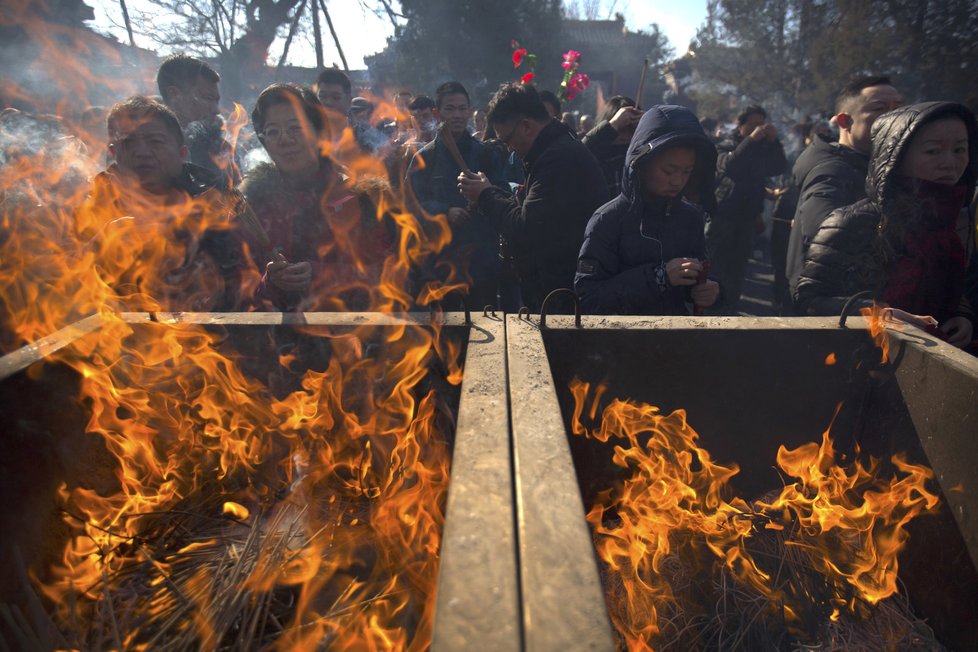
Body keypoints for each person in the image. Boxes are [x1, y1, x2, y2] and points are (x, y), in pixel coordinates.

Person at [794, 102, 977, 349]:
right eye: (933, 151)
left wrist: (963, 318)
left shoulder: (953, 224)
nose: (949, 162)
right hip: (856, 365)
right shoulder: (857, 221)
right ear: (897, 156)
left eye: (959, 149)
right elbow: (808, 299)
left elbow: (954, 292)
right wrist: (877, 314)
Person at [76, 95, 242, 311]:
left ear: (182, 153)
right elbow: (69, 286)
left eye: (155, 141)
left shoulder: (216, 207)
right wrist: (103, 243)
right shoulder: (90, 208)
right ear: (113, 152)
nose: (142, 152)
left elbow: (239, 287)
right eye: (127, 142)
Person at [238, 83, 390, 311]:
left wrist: (320, 274)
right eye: (272, 132)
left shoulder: (359, 198)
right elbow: (235, 291)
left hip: (350, 338)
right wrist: (270, 282)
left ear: (319, 133)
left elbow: (386, 276)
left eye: (295, 128)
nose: (284, 139)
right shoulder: (251, 208)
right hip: (277, 340)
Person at [457, 83, 608, 311]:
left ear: (526, 126)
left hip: (565, 294)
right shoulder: (552, 149)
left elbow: (525, 229)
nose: (509, 149)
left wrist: (485, 195)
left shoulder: (558, 159)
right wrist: (490, 191)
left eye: (507, 140)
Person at [575, 105, 719, 315]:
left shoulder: (691, 218)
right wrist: (658, 278)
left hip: (674, 340)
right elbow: (588, 297)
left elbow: (699, 274)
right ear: (641, 164)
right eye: (669, 171)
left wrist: (708, 290)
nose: (678, 180)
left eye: (687, 171)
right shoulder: (608, 220)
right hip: (618, 341)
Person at [785, 76, 903, 295]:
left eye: (898, 108)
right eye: (880, 108)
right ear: (844, 122)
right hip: (833, 308)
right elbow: (822, 232)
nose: (894, 117)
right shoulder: (833, 171)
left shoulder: (871, 166)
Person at [407, 81, 507, 307]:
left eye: (463, 109)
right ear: (437, 112)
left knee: (484, 322)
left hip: (480, 258)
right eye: (450, 109)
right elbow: (411, 204)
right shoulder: (424, 158)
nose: (457, 115)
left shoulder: (485, 154)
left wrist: (484, 195)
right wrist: (444, 211)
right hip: (440, 261)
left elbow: (502, 195)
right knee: (446, 331)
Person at [707, 104, 787, 314]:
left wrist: (773, 141)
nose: (758, 129)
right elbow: (731, 166)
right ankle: (710, 309)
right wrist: (750, 140)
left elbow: (777, 167)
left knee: (738, 267)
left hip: (748, 217)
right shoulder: (725, 145)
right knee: (716, 265)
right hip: (723, 215)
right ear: (740, 124)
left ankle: (730, 307)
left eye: (761, 125)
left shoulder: (761, 149)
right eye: (753, 125)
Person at [156, 54, 238, 188]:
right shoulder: (147, 149)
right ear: (174, 94)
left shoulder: (217, 147)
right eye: (207, 98)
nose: (216, 110)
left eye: (216, 100)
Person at [582, 96, 643, 196]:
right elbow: (579, 152)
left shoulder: (641, 154)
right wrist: (613, 124)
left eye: (631, 129)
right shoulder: (596, 155)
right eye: (620, 129)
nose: (625, 136)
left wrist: (650, 122)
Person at [315, 67, 353, 141]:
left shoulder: (361, 138)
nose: (328, 102)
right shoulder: (309, 135)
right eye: (322, 96)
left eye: (336, 98)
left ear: (348, 101)